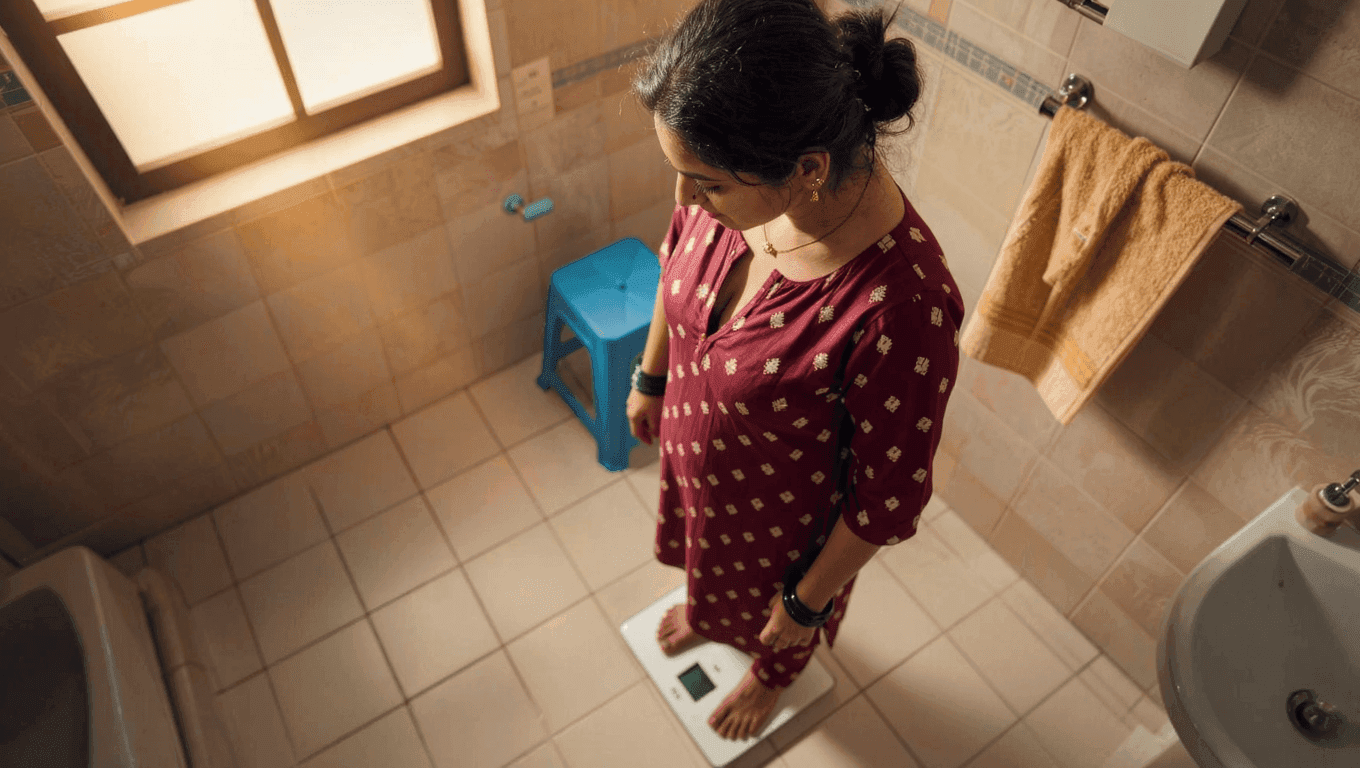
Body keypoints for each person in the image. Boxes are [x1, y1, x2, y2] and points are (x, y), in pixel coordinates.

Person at [625, 0, 963, 742]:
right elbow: (674, 260)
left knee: (776, 619)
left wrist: (807, 604)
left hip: (783, 522)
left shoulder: (902, 308)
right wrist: (651, 378)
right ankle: (712, 614)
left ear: (807, 169)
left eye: (705, 181)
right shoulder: (736, 187)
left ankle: (770, 674)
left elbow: (887, 499)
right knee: (709, 570)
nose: (686, 197)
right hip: (700, 457)